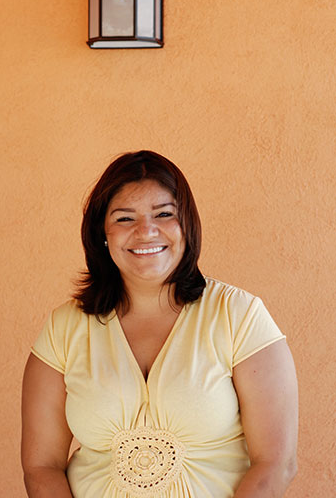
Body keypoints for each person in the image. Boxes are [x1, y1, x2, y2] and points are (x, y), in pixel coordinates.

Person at [21, 150, 298, 497]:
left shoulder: (239, 316)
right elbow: (41, 465)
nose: (145, 231)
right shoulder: (64, 328)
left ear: (187, 225)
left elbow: (276, 462)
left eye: (164, 214)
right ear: (102, 233)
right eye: (124, 218)